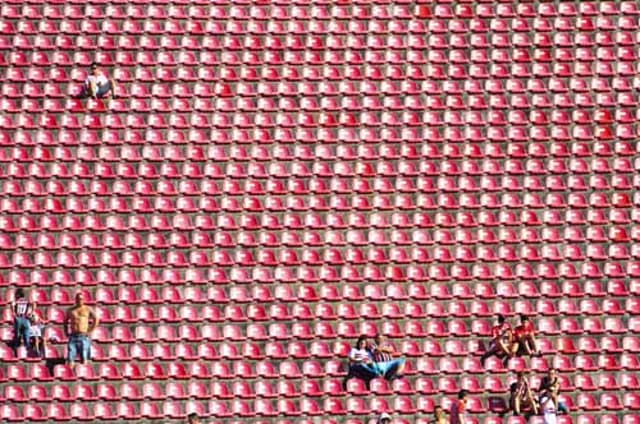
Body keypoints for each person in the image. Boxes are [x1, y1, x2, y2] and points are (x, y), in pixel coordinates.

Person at [64, 292, 99, 368]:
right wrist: (66, 331)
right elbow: (65, 321)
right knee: (70, 357)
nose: (80, 300)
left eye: (81, 299)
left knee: (84, 357)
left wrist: (90, 330)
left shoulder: (87, 309)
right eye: (78, 299)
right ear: (75, 299)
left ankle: (84, 375)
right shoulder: (71, 310)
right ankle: (70, 375)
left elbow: (96, 319)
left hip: (83, 336)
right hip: (73, 336)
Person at [10, 289, 33, 353]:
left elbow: (12, 305)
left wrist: (14, 313)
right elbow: (33, 304)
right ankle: (28, 349)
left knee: (18, 334)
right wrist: (30, 313)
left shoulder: (16, 301)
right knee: (26, 334)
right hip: (25, 318)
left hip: (19, 318)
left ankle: (16, 348)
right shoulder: (26, 300)